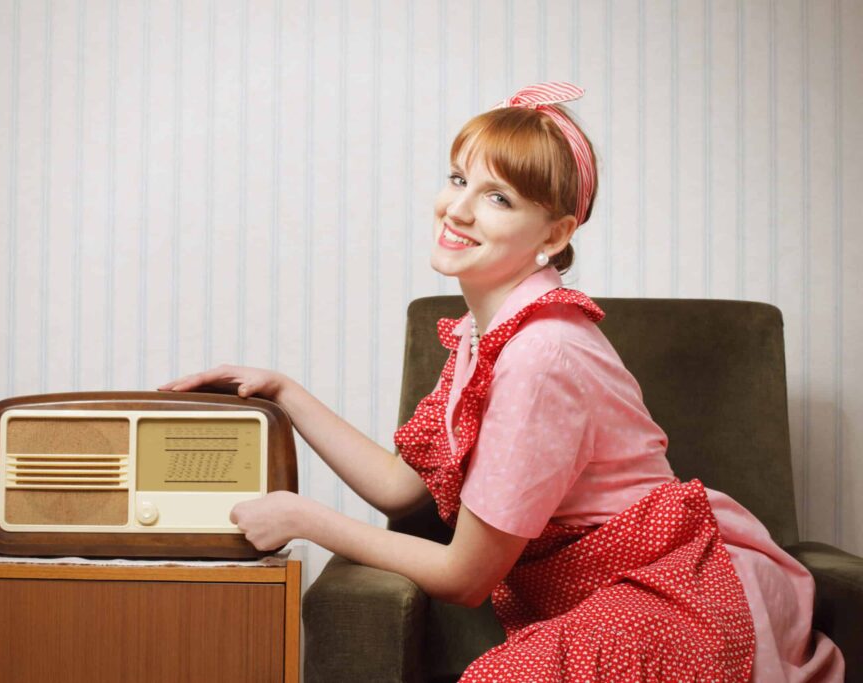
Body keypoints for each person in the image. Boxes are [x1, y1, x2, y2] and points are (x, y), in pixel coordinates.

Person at [159, 82, 843, 681]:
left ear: (553, 234)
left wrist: (308, 519)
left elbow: (466, 575)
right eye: (458, 179)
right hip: (602, 589)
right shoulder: (486, 337)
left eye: (498, 197)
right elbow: (402, 486)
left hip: (669, 592)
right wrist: (283, 391)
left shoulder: (542, 352)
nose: (457, 211)